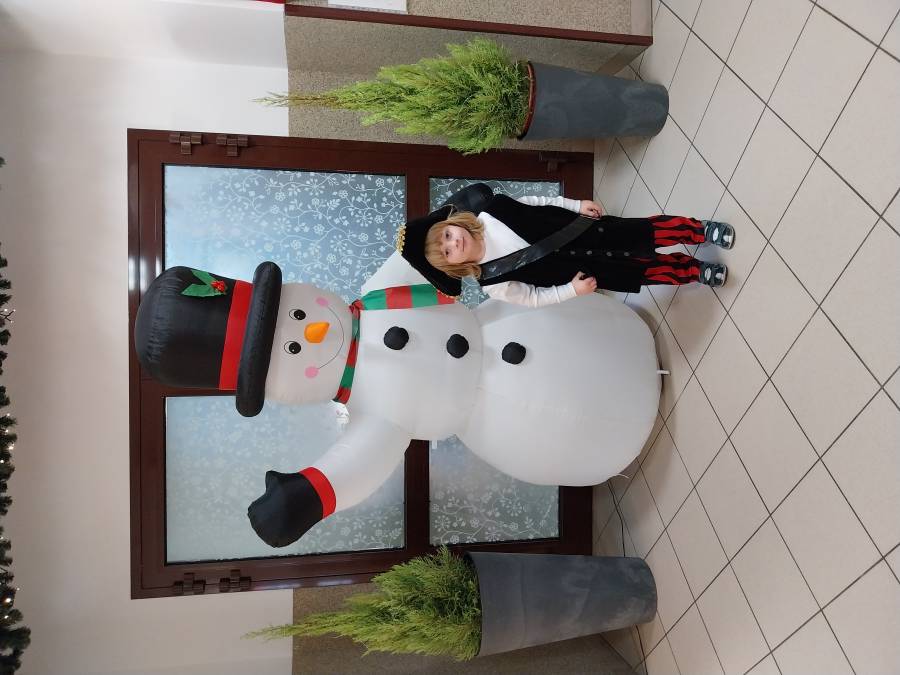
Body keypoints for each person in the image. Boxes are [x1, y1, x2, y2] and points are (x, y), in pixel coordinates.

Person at [396, 190, 734, 307]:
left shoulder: (492, 210)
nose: (453, 242)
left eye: (447, 235)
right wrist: (571, 291)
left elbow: (537, 202)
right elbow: (533, 298)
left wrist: (574, 205)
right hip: (590, 272)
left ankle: (700, 231)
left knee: (648, 231)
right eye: (448, 251)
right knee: (648, 271)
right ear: (453, 266)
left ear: (453, 224)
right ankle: (694, 271)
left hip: (590, 232)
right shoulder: (493, 282)